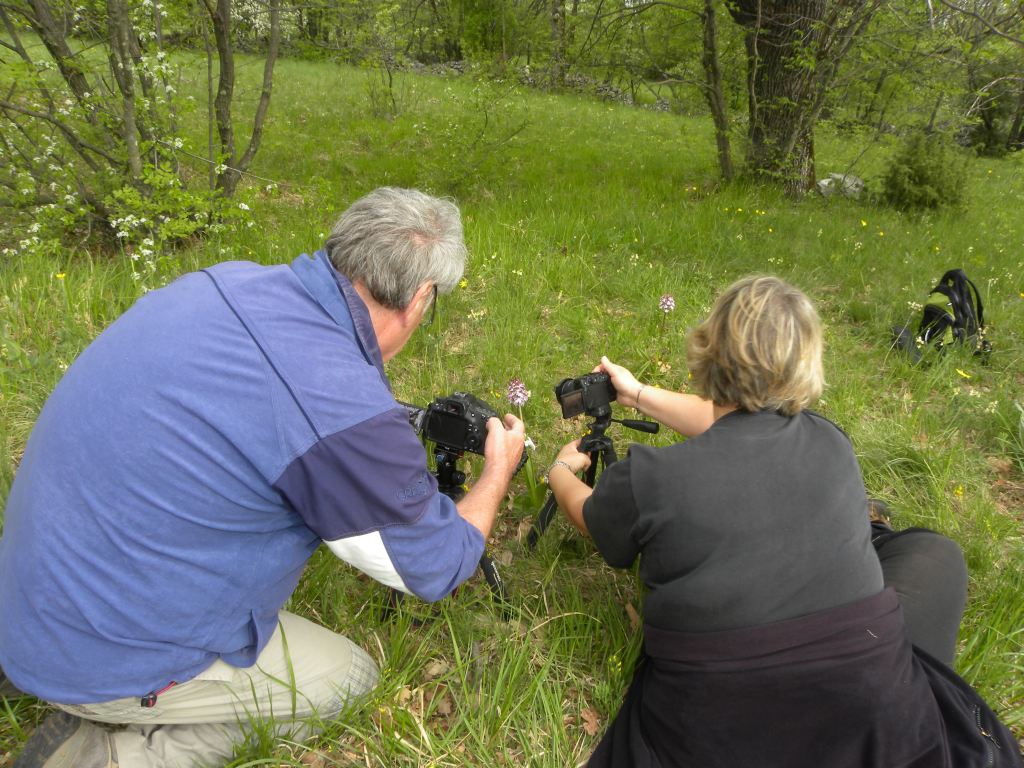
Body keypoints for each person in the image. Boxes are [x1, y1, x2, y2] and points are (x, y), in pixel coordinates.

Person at [0, 187, 526, 768]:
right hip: (98, 649)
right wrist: (497, 469)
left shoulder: (228, 282)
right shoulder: (337, 410)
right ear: (421, 298)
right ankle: (108, 752)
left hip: (31, 591)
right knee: (348, 681)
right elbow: (435, 566)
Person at [547, 275, 1022, 768]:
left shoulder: (650, 478)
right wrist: (638, 394)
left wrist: (561, 472)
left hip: (715, 726)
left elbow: (589, 518)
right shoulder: (829, 442)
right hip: (865, 714)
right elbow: (734, 424)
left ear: (706, 349)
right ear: (805, 362)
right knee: (934, 554)